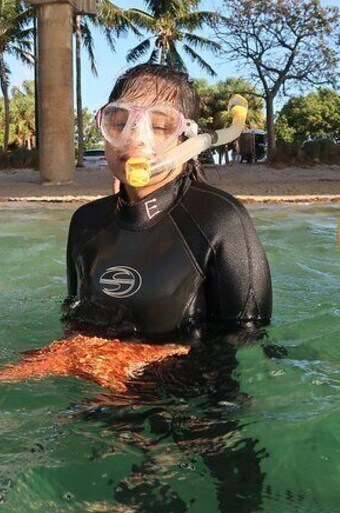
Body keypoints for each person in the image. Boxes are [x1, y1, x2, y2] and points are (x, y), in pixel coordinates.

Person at [65, 63, 272, 342]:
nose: (134, 138)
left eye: (160, 125)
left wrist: (129, 363)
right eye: (119, 122)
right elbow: (73, 319)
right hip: (96, 383)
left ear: (187, 138)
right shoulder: (86, 222)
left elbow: (248, 344)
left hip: (186, 385)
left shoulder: (221, 220)